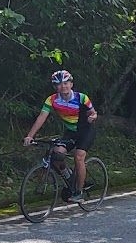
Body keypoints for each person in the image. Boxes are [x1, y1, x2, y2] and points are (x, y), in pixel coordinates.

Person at [23, 69, 98, 203]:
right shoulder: (52, 100)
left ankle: (78, 192)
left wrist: (92, 117)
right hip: (70, 132)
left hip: (86, 131)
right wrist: (30, 136)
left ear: (71, 84)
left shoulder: (82, 98)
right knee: (56, 154)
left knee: (79, 156)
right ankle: (69, 178)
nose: (63, 86)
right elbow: (41, 117)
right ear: (55, 87)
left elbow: (93, 112)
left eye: (65, 83)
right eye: (59, 84)